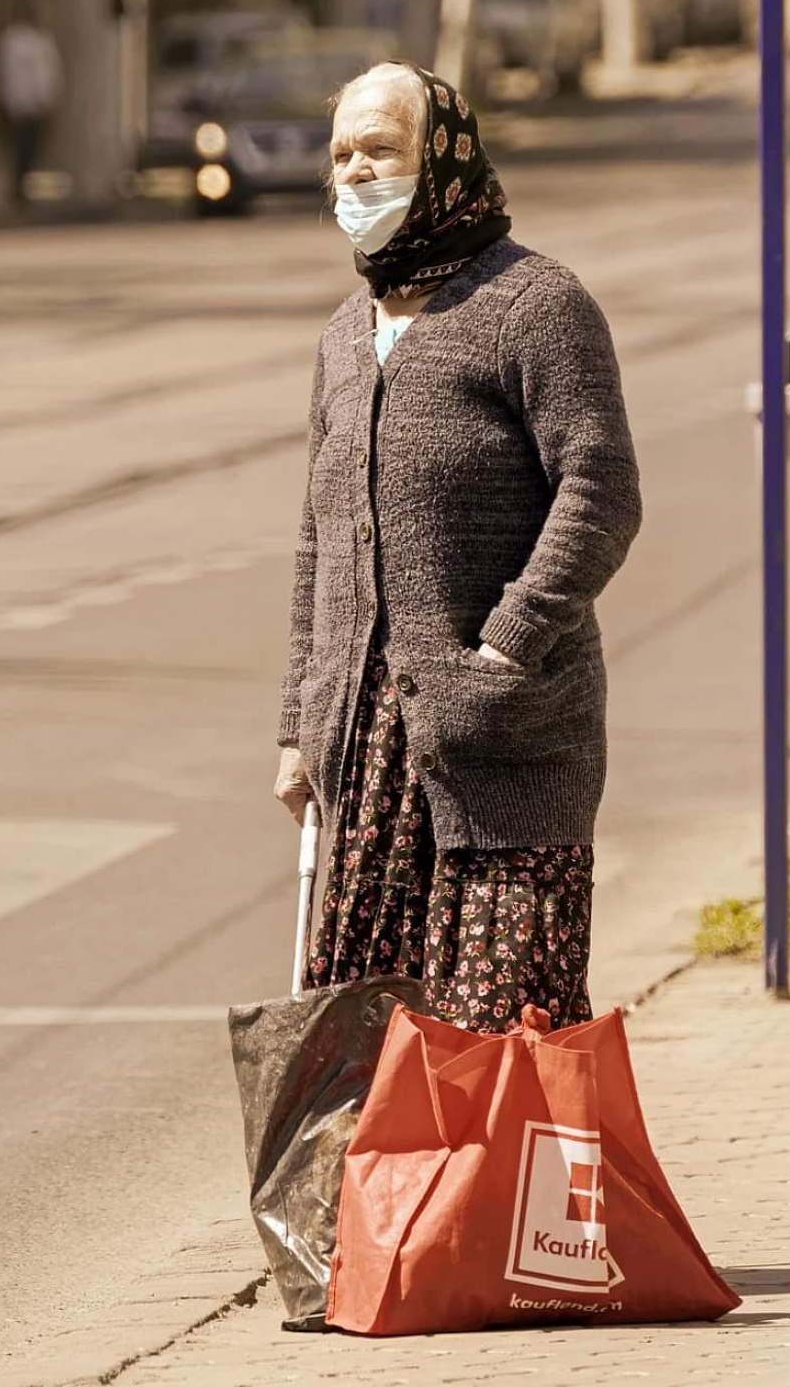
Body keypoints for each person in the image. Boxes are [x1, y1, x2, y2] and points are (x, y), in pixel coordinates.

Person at [274, 61, 641, 1034]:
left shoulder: (533, 303)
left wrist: (504, 648)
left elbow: (600, 490)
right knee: (368, 1060)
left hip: (506, 753)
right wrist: (294, 727)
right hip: (365, 764)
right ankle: (391, 1202)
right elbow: (320, 544)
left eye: (379, 151)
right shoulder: (343, 338)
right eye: (340, 155)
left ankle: (513, 1200)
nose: (354, 174)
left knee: (501, 1054)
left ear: (439, 158)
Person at [0, 0, 63, 207]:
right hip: (29, 104)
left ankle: (21, 188)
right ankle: (20, 189)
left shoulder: (13, 40)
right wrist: (44, 98)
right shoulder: (32, 41)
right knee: (26, 148)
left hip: (18, 103)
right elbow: (41, 75)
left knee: (23, 149)